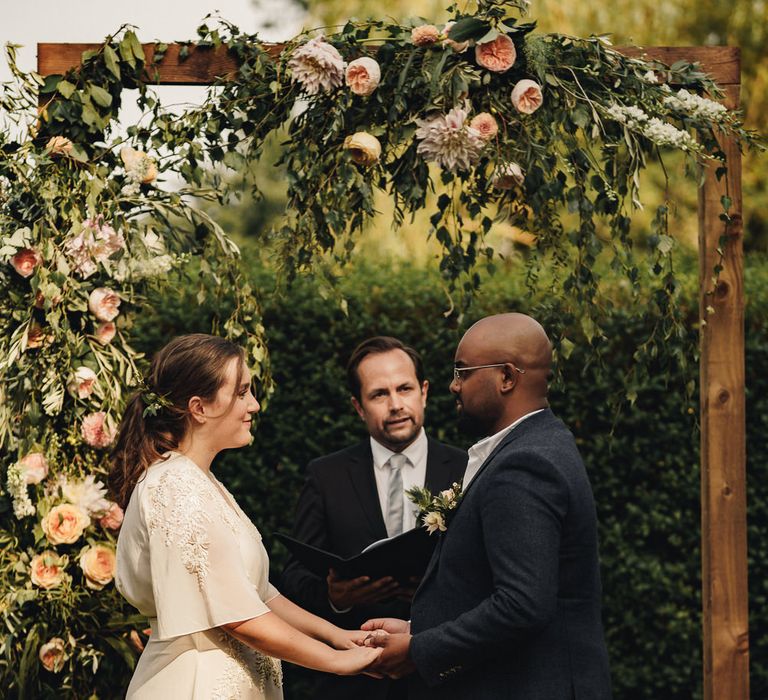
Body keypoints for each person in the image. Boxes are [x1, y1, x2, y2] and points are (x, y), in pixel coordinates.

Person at [110, 334, 381, 699]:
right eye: (241, 393)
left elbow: (260, 595)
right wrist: (336, 661)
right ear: (199, 407)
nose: (253, 405)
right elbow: (238, 615)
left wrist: (337, 635)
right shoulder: (175, 486)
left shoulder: (201, 482)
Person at [362, 313, 613, 699]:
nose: (453, 385)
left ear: (507, 378)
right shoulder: (537, 443)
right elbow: (485, 587)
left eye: (463, 371)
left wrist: (419, 650)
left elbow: (521, 605)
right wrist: (419, 629)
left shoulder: (526, 464)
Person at [280, 336, 467, 700]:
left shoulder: (467, 469)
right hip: (353, 683)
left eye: (405, 388)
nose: (396, 404)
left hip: (446, 679)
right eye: (379, 394)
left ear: (424, 391)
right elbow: (292, 577)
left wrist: (438, 595)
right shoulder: (325, 476)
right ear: (358, 406)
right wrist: (336, 597)